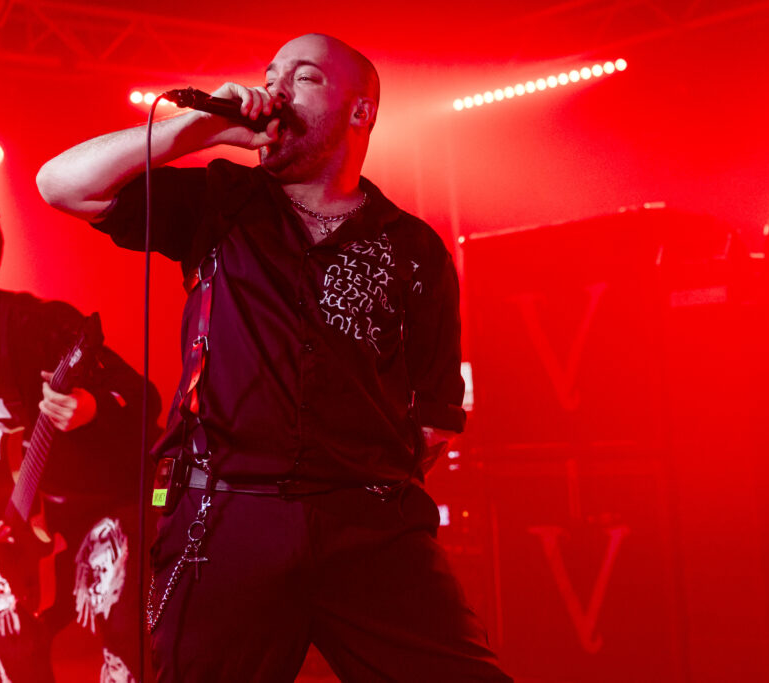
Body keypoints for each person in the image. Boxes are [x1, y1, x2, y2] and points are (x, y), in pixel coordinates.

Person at [36, 33, 511, 682]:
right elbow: (61, 185)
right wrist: (200, 130)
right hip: (227, 520)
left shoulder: (415, 249)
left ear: (360, 111)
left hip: (370, 525)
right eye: (271, 73)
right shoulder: (220, 203)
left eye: (306, 77)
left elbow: (432, 417)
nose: (277, 89)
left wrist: (348, 471)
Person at [0, 161, 159, 683]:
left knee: (125, 658)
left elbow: (145, 400)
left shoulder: (34, 325)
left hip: (104, 513)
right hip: (26, 530)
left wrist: (90, 407)